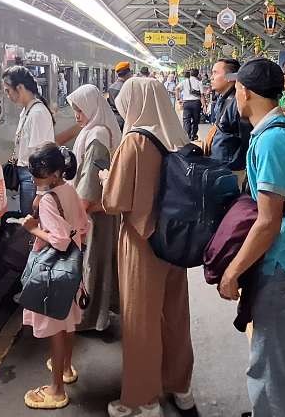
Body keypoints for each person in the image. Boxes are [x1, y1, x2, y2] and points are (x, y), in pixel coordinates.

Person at [215, 58, 285, 417]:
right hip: (281, 261)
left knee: (278, 364)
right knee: (272, 357)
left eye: (237, 88)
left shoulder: (272, 141)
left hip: (282, 264)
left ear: (246, 91)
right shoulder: (274, 131)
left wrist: (232, 273)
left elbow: (268, 222)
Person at [102, 78, 195, 417]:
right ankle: (180, 388)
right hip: (178, 242)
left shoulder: (135, 141)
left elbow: (115, 201)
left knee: (141, 322)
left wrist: (104, 179)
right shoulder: (177, 135)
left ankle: (143, 400)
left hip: (143, 244)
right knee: (175, 318)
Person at [20, 143, 91, 410]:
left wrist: (33, 228)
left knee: (55, 329)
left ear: (53, 174)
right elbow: (84, 225)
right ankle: (67, 368)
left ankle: (56, 389)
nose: (33, 177)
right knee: (68, 321)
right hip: (72, 268)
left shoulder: (49, 200)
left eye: (37, 173)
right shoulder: (69, 191)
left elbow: (58, 241)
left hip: (53, 271)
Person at [66, 85, 122, 332]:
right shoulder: (93, 131)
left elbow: (89, 182)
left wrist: (77, 211)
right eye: (74, 110)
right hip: (97, 211)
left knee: (92, 262)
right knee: (97, 262)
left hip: (94, 215)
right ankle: (96, 314)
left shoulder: (96, 136)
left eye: (80, 109)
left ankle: (91, 318)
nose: (76, 115)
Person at [4, 66, 55, 216]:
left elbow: (39, 157)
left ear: (19, 87)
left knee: (32, 219)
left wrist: (40, 193)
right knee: (29, 218)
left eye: (8, 90)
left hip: (33, 178)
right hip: (27, 175)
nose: (7, 95)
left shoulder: (37, 113)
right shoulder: (28, 110)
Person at [208, 59, 253, 177]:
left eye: (215, 73)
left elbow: (246, 137)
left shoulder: (237, 103)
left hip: (231, 168)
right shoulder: (222, 98)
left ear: (231, 77)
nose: (211, 77)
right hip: (220, 164)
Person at [178, 69, 204, 141]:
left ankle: (187, 136)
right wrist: (204, 105)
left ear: (190, 74)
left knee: (186, 120)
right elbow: (202, 95)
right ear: (197, 74)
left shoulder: (184, 81)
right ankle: (193, 135)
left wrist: (179, 99)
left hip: (186, 103)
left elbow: (177, 89)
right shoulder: (199, 82)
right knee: (196, 120)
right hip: (196, 103)